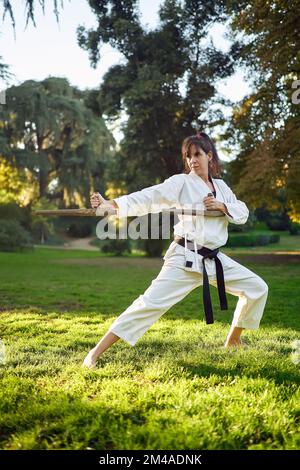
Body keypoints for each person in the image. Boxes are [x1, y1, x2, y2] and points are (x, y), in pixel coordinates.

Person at [82, 132, 268, 368]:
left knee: (257, 288)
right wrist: (112, 205)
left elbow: (242, 212)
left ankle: (233, 341)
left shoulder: (221, 187)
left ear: (209, 156)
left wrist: (222, 206)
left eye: (197, 154)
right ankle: (94, 353)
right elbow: (149, 197)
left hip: (213, 259)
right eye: (188, 156)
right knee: (148, 304)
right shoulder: (180, 183)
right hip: (184, 258)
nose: (193, 160)